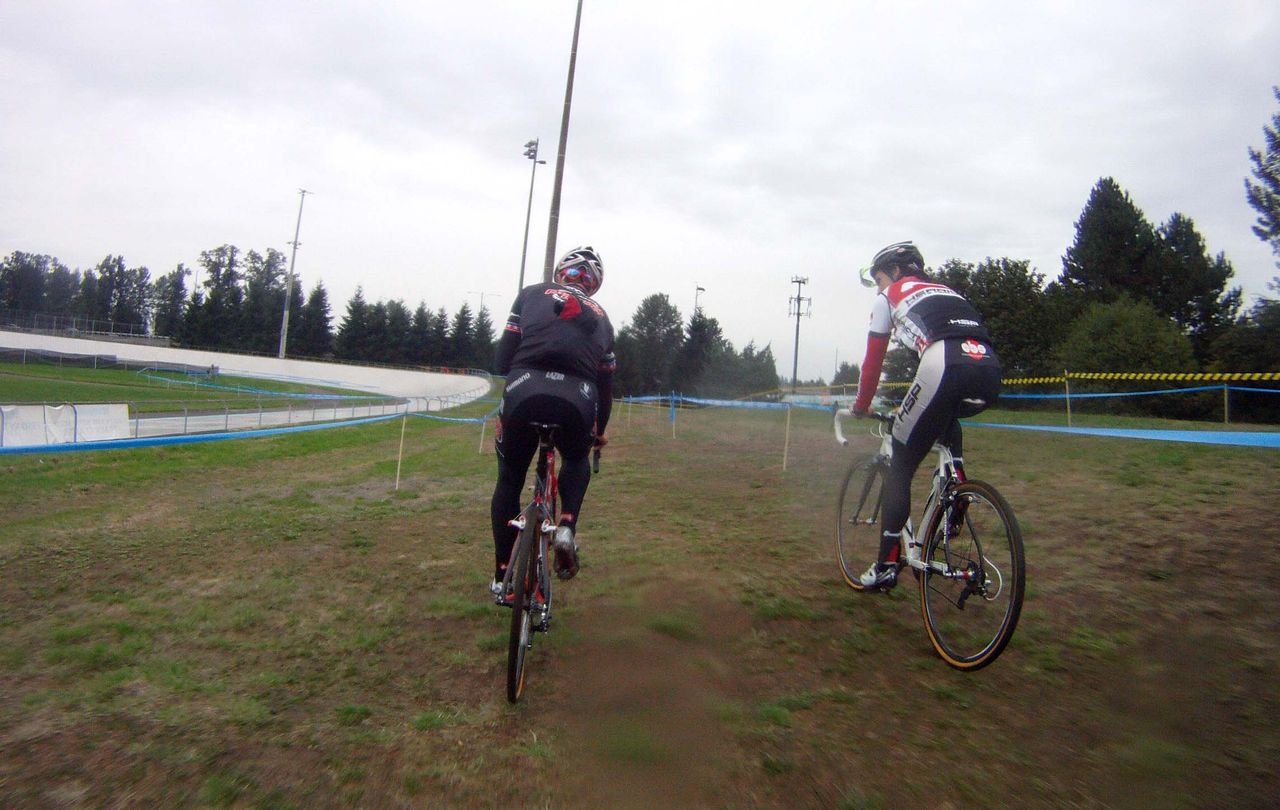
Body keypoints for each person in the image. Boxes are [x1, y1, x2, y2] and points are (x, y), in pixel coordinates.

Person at [850, 241, 1001, 590]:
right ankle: (957, 481)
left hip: (944, 361)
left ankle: (887, 565)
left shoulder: (889, 297)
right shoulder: (947, 291)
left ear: (897, 272)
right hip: (988, 365)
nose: (878, 286)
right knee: (944, 417)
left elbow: (873, 361)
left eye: (880, 278)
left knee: (901, 463)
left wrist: (861, 405)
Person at [489, 245, 616, 601]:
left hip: (524, 389)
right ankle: (566, 526)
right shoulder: (603, 318)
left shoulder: (531, 294)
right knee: (576, 459)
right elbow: (605, 390)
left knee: (509, 480)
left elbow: (502, 359)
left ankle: (502, 576)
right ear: (594, 285)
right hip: (579, 400)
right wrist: (598, 432)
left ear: (561, 272)